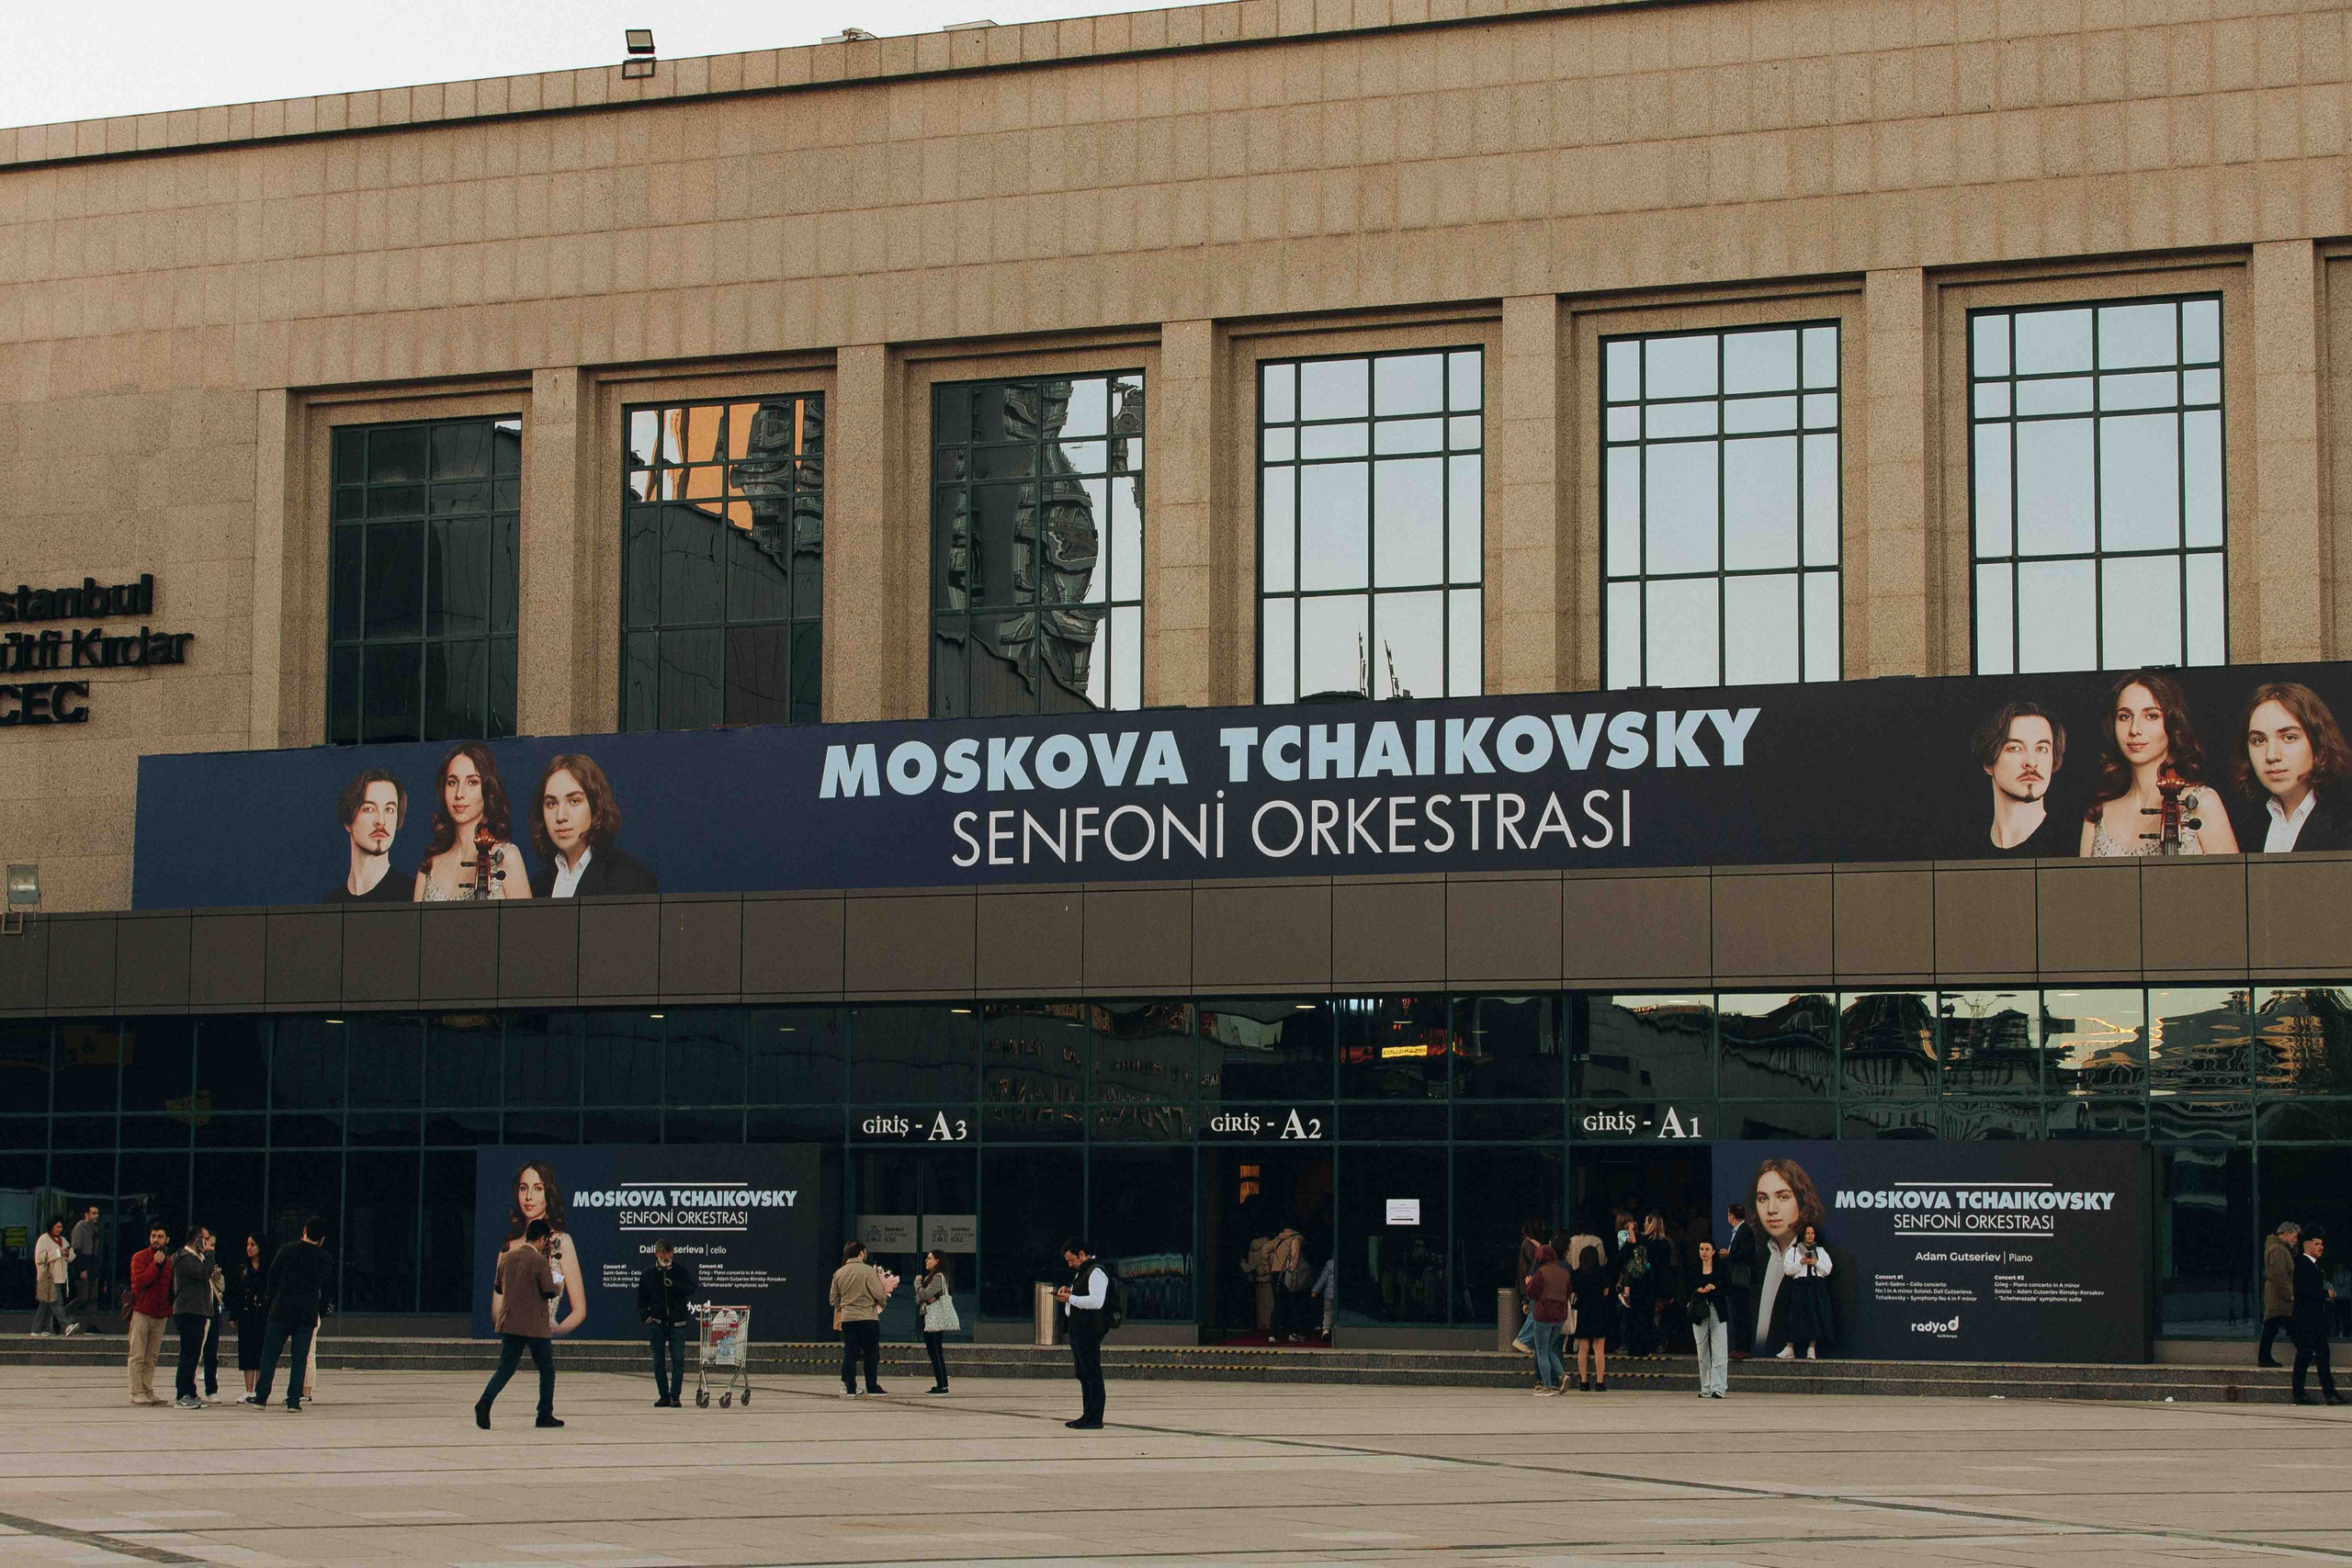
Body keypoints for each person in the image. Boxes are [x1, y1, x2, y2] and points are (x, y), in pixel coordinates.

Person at [2081, 669, 2240, 856]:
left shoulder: (2201, 802)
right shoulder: (2098, 814)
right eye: (2125, 716)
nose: (2134, 729)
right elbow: (2084, 885)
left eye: (2151, 716)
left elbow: (2233, 884)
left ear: (2172, 725)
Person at [2235, 682, 2352, 852]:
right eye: (2259, 740)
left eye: (2289, 737)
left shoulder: (2345, 817)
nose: (2272, 755)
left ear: (2318, 742)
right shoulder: (2247, 825)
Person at [528, 754, 661, 897]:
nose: (561, 816)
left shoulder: (632, 879)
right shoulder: (540, 884)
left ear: (596, 806)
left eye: (574, 801)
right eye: (552, 803)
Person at [413, 742, 530, 900]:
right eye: (452, 782)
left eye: (472, 782)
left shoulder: (506, 857)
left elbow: (526, 924)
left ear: (487, 790)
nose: (459, 794)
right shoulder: (429, 867)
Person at [476, 1219, 563, 1429]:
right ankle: (544, 1415)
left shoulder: (507, 1257)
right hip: (534, 1326)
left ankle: (485, 1401)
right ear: (541, 1239)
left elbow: (498, 1289)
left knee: (506, 1368)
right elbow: (549, 1290)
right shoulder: (539, 1261)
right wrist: (558, 1285)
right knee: (547, 1369)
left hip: (510, 1322)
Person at [248, 1215, 332, 1412]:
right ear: (322, 1239)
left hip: (281, 1310)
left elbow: (272, 1277)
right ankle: (293, 1400)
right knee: (300, 1359)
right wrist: (320, 1310)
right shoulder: (324, 1258)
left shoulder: (287, 1250)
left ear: (304, 1231)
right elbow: (327, 1289)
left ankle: (261, 1397)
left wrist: (271, 1301)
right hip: (306, 1314)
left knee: (270, 1355)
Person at [495, 1160, 585, 1338]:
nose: (529, 1196)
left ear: (548, 1194)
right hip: (514, 1334)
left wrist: (554, 1336)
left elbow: (579, 1311)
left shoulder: (562, 1242)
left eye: (537, 1188)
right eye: (523, 1188)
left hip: (545, 1335)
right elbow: (497, 1306)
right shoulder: (508, 1246)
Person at [1748, 1156, 1827, 1358]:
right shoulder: (1757, 1258)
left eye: (1783, 1197)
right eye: (1763, 1198)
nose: (1771, 1209)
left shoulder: (1833, 1257)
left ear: (1802, 1200)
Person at [1974, 700, 2069, 855]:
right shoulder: (1967, 848)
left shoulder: (2071, 844)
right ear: (1989, 763)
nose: (2031, 762)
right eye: (2015, 748)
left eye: (2042, 749)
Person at [322, 769, 410, 902]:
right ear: (348, 822)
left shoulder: (412, 896)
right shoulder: (330, 905)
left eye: (389, 810)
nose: (381, 821)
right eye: (369, 809)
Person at [1056, 1238, 1112, 1428]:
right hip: (1078, 1331)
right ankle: (1087, 1414)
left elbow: (1097, 1301)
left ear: (1082, 1253)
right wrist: (1069, 1293)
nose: (1070, 1264)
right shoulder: (1083, 1271)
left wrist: (1071, 1298)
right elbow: (1082, 1294)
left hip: (1089, 1331)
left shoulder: (1096, 1271)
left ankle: (1095, 1417)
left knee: (1092, 1373)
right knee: (1083, 1373)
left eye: (1071, 1259)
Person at [637, 1240, 698, 1409]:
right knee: (658, 1361)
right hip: (657, 1323)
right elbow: (641, 1298)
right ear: (656, 1253)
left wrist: (673, 1283)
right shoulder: (648, 1273)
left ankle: (675, 1395)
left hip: (677, 1323)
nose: (667, 1256)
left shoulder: (679, 1270)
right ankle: (663, 1396)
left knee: (678, 1360)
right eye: (663, 1253)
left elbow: (691, 1288)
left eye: (670, 1253)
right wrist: (645, 1316)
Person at [828, 1241, 891, 1398]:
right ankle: (872, 1386)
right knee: (871, 1353)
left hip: (848, 1319)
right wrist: (881, 1304)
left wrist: (845, 1307)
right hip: (867, 1317)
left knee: (850, 1352)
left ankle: (850, 1387)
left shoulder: (839, 1273)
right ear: (861, 1253)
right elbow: (879, 1294)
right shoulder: (868, 1271)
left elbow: (833, 1299)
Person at [2290, 1226, 2344, 1405]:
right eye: (2317, 1244)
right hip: (2307, 1320)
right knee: (2307, 1355)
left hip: (2314, 1319)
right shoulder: (2302, 1264)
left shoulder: (2311, 1265)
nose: (2321, 1247)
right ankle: (2303, 1393)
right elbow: (2304, 1291)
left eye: (2322, 1244)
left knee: (2319, 1355)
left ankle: (2328, 1393)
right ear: (2307, 1246)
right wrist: (2325, 1294)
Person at [169, 1229, 220, 1409]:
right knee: (188, 1354)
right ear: (197, 1240)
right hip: (189, 1311)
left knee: (193, 1354)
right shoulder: (185, 1258)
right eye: (205, 1240)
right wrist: (210, 1255)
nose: (208, 1243)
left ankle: (190, 1392)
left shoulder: (194, 1258)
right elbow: (203, 1273)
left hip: (197, 1311)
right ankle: (182, 1393)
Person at [125, 1220, 173, 1407]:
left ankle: (147, 1389)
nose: (156, 1239)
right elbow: (139, 1282)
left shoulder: (170, 1261)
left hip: (160, 1314)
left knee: (151, 1356)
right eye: (153, 1236)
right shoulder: (140, 1257)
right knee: (137, 1353)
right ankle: (136, 1391)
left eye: (160, 1236)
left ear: (167, 1239)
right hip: (142, 1311)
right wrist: (155, 1264)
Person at [1777, 1224, 1834, 1360]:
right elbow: (1788, 1270)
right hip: (1799, 1286)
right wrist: (1800, 1263)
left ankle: (1811, 1349)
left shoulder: (1820, 1251)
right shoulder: (1794, 1251)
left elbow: (1828, 1269)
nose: (1810, 1236)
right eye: (1808, 1233)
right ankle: (1789, 1348)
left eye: (1812, 1233)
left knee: (1815, 1316)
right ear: (1803, 1235)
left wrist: (1815, 1263)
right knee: (1794, 1317)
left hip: (1816, 1286)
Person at [1523, 1237, 1571, 1396]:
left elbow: (1532, 1293)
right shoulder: (1564, 1272)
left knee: (1541, 1350)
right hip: (1560, 1316)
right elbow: (1569, 1292)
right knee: (1548, 1348)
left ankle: (1547, 1387)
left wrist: (1528, 1282)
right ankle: (1562, 1375)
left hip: (1543, 1315)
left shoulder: (1541, 1273)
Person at [1567, 1243, 1614, 1393]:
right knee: (1599, 1348)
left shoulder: (1575, 1274)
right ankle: (1599, 1382)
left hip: (1582, 1311)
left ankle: (1584, 1381)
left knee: (1583, 1347)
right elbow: (1606, 1292)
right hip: (1599, 1311)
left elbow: (1572, 1292)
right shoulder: (1603, 1273)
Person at [1687, 1238, 1728, 1398]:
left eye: (1706, 1249)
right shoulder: (1694, 1268)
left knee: (1719, 1351)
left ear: (1713, 1252)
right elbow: (1687, 1286)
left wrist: (1715, 1288)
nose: (1703, 1252)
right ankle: (1705, 1387)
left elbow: (1728, 1287)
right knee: (1702, 1351)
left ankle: (1718, 1387)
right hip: (1699, 1311)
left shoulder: (1721, 1268)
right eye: (1701, 1249)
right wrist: (1698, 1290)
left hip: (1717, 1311)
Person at [916, 1250, 959, 1395]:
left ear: (938, 1261)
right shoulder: (931, 1277)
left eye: (929, 1259)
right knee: (934, 1352)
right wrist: (922, 1295)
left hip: (934, 1318)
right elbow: (919, 1299)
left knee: (935, 1352)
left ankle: (942, 1386)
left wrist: (917, 1283)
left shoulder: (938, 1277)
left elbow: (924, 1294)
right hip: (929, 1318)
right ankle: (940, 1384)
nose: (926, 1261)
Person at [231, 1235, 269, 1396]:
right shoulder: (242, 1267)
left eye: (253, 1244)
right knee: (246, 1350)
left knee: (261, 1350)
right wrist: (234, 1315)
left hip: (263, 1314)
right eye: (247, 1244)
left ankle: (260, 1390)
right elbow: (236, 1292)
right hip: (246, 1314)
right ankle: (248, 1389)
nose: (249, 1248)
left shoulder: (268, 1267)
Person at [1721, 1202, 1758, 1359]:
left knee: (1741, 1314)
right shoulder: (1740, 1231)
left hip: (1741, 1279)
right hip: (1735, 1279)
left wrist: (1729, 1255)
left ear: (1731, 1215)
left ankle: (1743, 1348)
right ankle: (1738, 1347)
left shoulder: (1745, 1231)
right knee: (1736, 1314)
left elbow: (1746, 1254)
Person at [30, 1217, 78, 1337]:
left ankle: (37, 1329)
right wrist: (58, 1253)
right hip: (48, 1278)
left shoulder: (63, 1240)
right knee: (57, 1302)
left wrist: (67, 1254)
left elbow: (72, 1256)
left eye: (61, 1227)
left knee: (45, 1305)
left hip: (60, 1277)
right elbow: (40, 1258)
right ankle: (66, 1325)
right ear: (51, 1227)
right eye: (57, 1227)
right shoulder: (43, 1240)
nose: (59, 1229)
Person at [1268, 1222, 1309, 1342]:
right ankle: (1294, 1333)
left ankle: (1273, 1334)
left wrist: (1268, 1266)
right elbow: (1294, 1255)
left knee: (1278, 1304)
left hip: (1275, 1273)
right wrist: (1292, 1270)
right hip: (1287, 1274)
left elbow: (1265, 1249)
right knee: (1294, 1303)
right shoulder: (1295, 1239)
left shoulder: (1279, 1239)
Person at [1510, 1215, 1544, 1357]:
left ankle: (1527, 1341)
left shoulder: (1531, 1244)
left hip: (1531, 1285)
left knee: (1535, 1314)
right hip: (1532, 1284)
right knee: (1535, 1314)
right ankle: (1523, 1339)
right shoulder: (1529, 1245)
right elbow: (1537, 1264)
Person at [1240, 1224, 1275, 1343]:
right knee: (1269, 1303)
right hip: (1267, 1278)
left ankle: (1261, 1325)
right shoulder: (1269, 1246)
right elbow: (1273, 1262)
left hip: (1256, 1278)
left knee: (1259, 1304)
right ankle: (1269, 1324)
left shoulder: (1252, 1248)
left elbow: (1249, 1265)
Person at [69, 1204, 101, 1319]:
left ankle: (91, 1324)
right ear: (86, 1215)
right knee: (83, 1296)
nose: (96, 1216)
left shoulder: (95, 1228)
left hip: (93, 1263)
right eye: (93, 1213)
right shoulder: (80, 1227)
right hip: (83, 1261)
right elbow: (76, 1250)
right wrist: (81, 1269)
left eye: (97, 1213)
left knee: (93, 1296)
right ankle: (62, 1315)